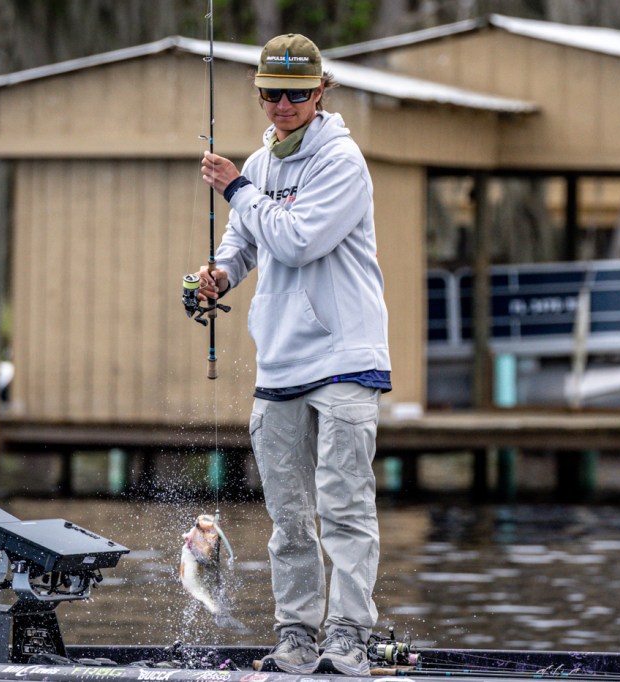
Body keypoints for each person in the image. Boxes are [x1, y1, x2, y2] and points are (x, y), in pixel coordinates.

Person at [192, 33, 391, 676]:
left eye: (297, 93)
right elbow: (244, 243)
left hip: (345, 359)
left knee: (345, 510)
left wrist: (237, 188)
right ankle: (297, 637)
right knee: (289, 520)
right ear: (259, 93)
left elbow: (299, 240)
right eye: (272, 93)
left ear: (320, 92)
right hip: (280, 363)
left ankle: (349, 635)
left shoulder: (341, 161)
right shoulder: (258, 166)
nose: (283, 104)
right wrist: (218, 277)